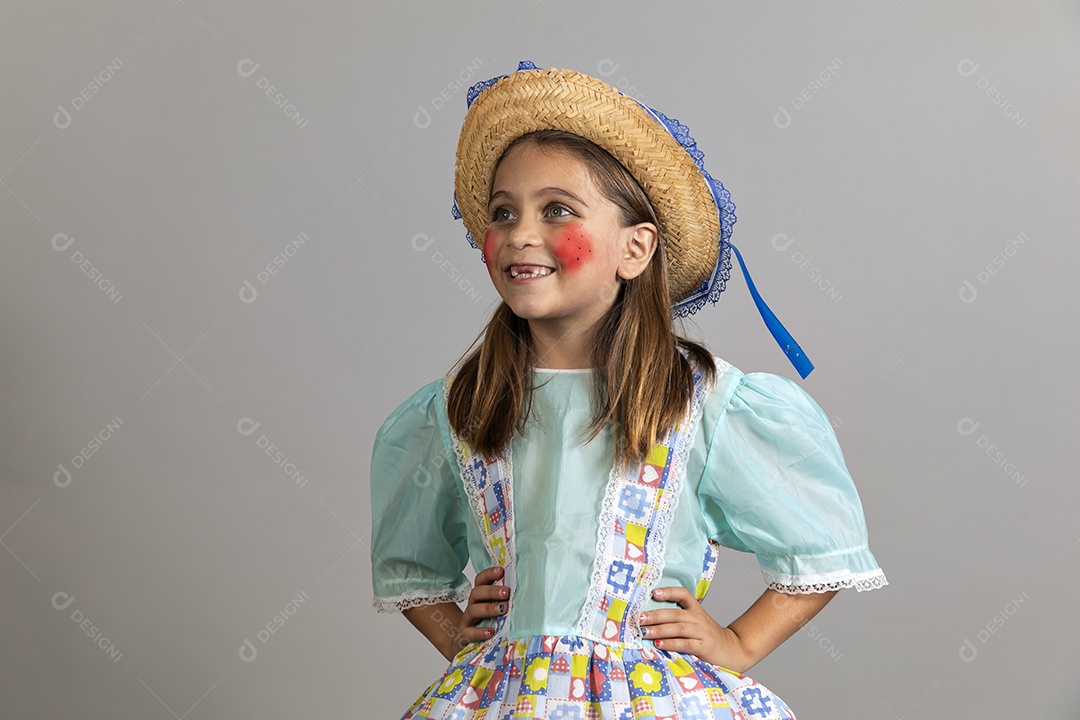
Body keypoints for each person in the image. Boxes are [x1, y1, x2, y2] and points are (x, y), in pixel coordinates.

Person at [369, 61, 887, 719]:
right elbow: (412, 568)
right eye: (504, 212)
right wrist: (468, 649)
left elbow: (820, 547)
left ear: (635, 249)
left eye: (557, 209)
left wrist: (736, 643)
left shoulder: (700, 404)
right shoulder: (459, 408)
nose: (521, 233)